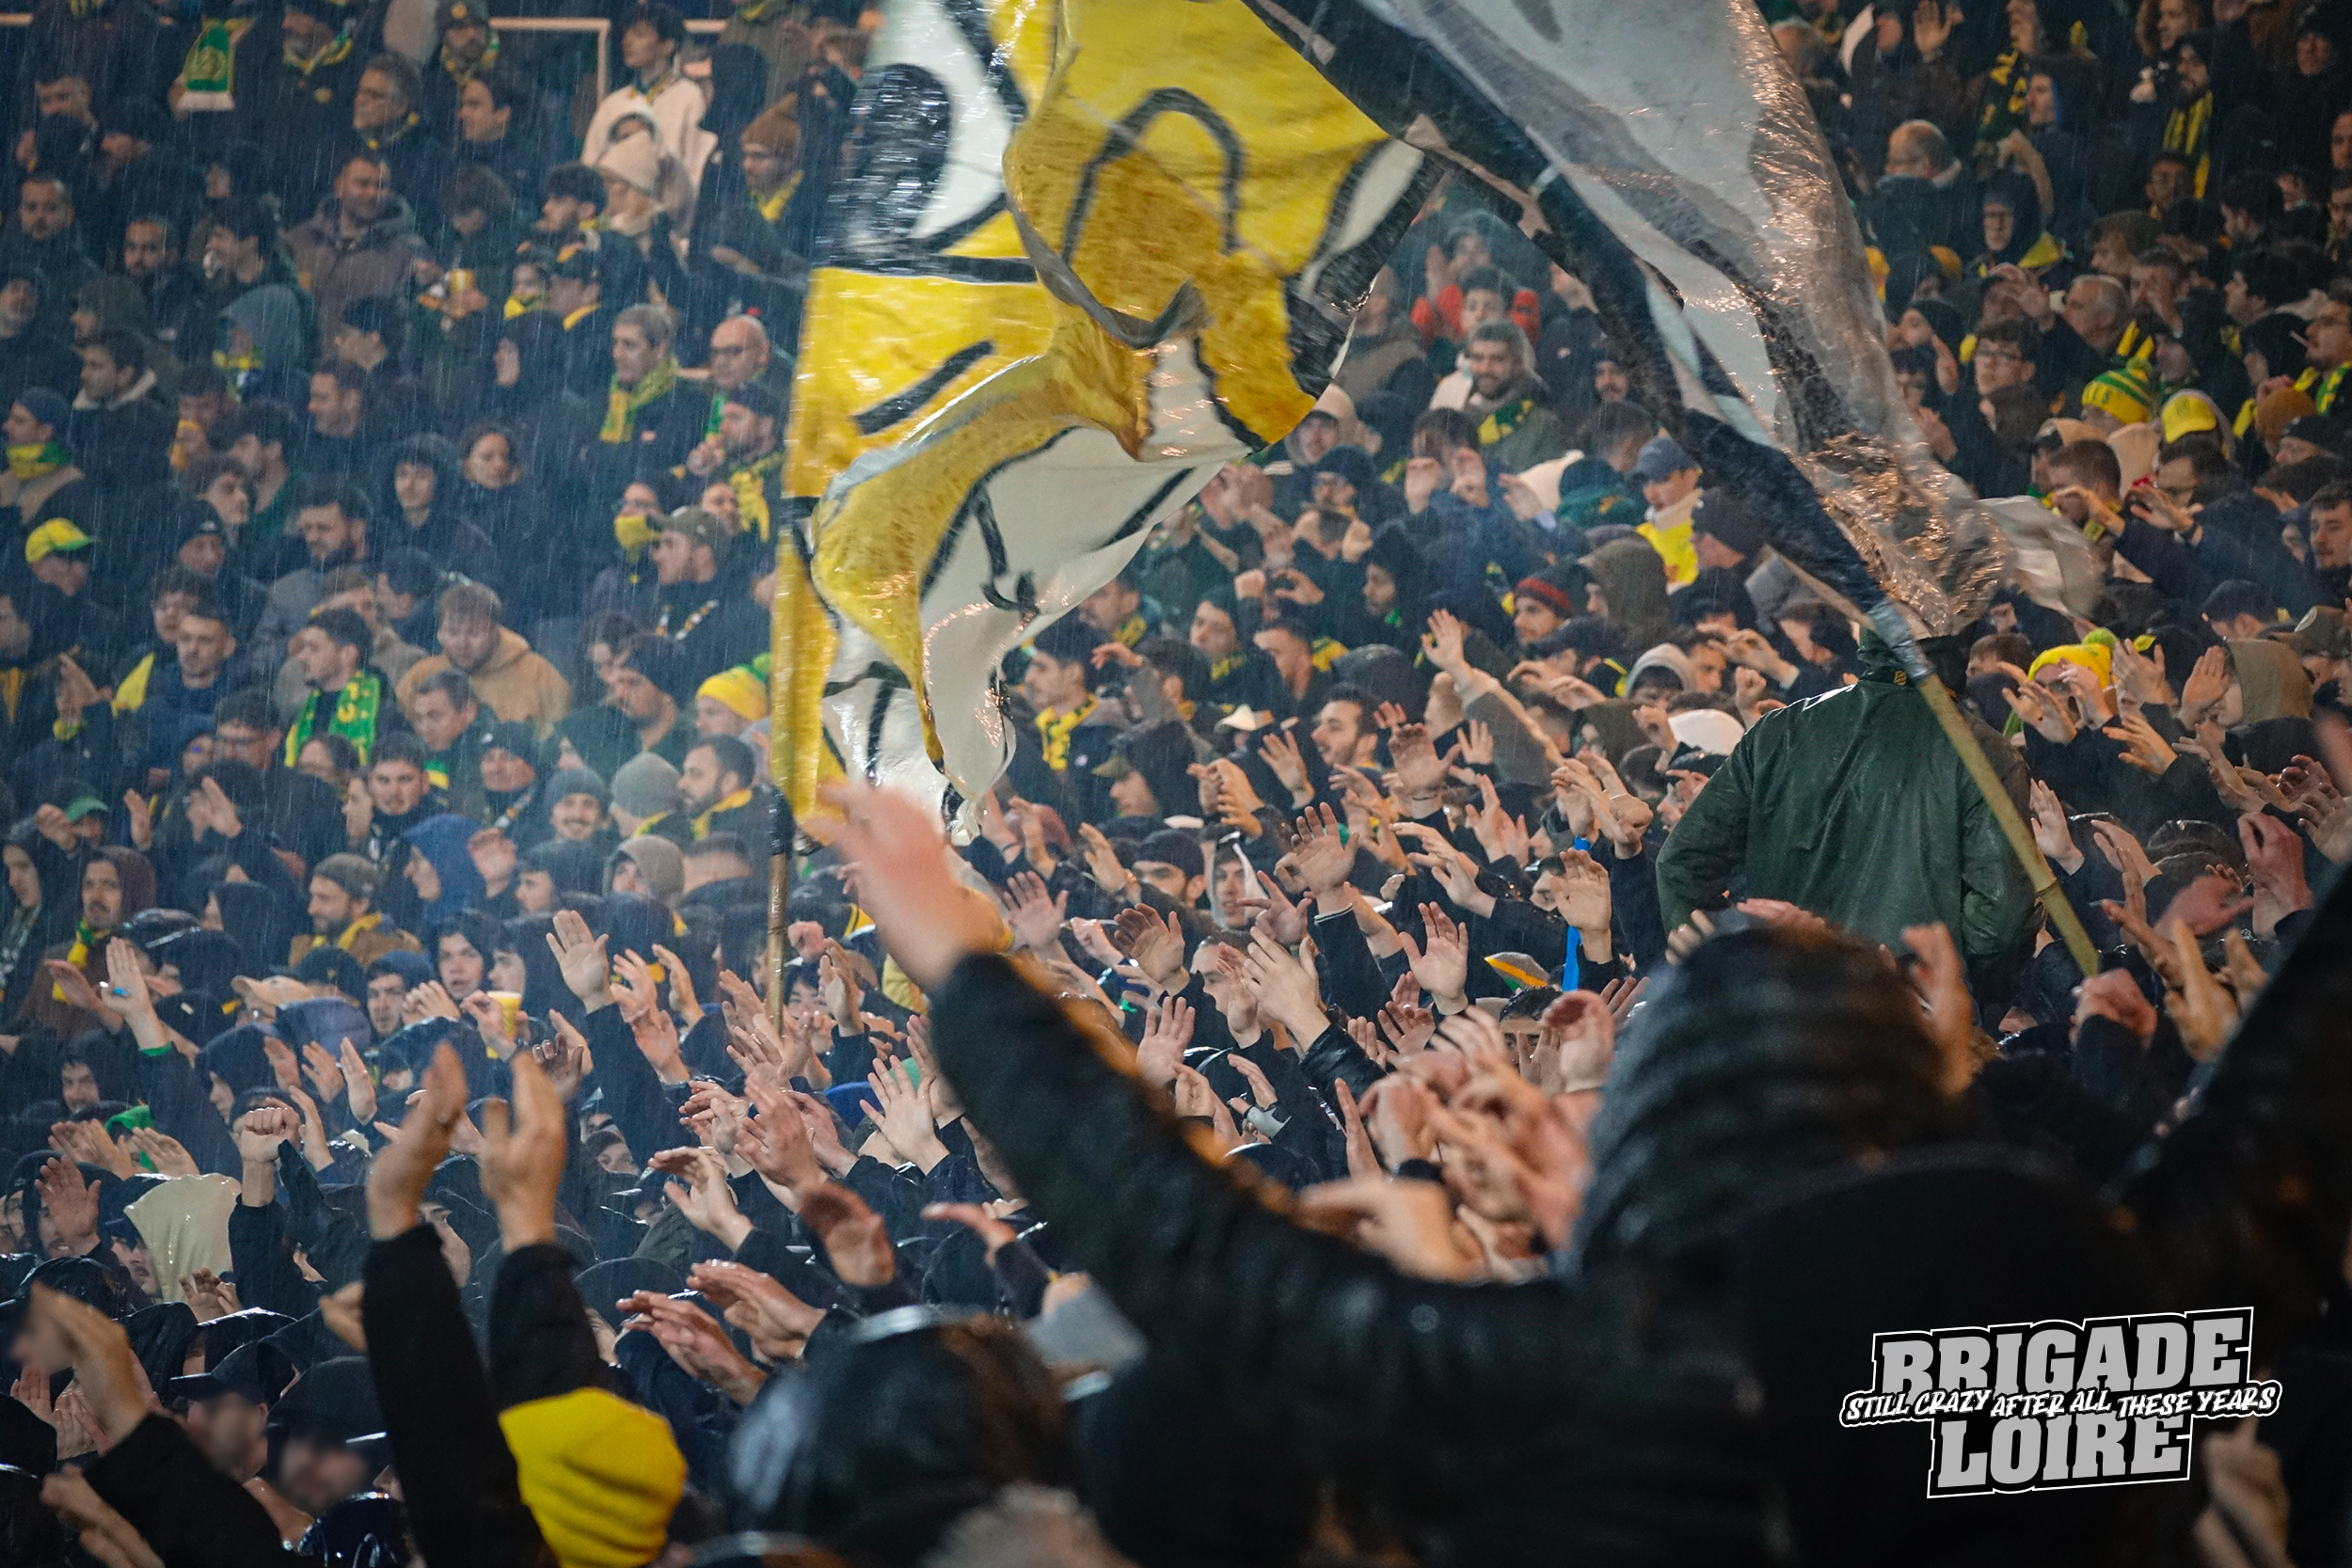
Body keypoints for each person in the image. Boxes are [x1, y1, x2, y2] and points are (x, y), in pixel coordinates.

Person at [393, 582, 571, 738]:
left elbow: (559, 740)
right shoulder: (422, 675)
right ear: (439, 633)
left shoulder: (538, 675)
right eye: (453, 632)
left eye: (474, 633)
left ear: (496, 631)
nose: (462, 643)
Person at [290, 852, 421, 966]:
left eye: (324, 899)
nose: (312, 909)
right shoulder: (305, 946)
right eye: (313, 897)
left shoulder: (395, 950)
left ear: (360, 904)